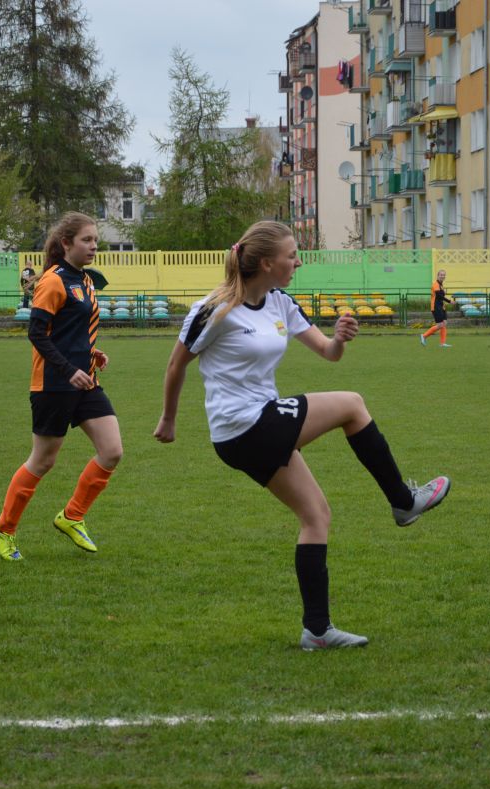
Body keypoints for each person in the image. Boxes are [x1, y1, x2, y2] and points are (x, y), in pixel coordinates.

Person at [153, 220, 450, 651]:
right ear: (266, 262)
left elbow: (328, 353)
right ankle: (404, 502)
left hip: (261, 424)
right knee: (352, 404)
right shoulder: (214, 309)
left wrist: (340, 339)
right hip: (242, 426)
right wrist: (168, 419)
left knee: (316, 516)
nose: (298, 262)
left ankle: (317, 631)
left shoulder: (280, 302)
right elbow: (176, 364)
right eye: (292, 255)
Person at [0, 212, 122, 562]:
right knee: (43, 460)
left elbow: (70, 331)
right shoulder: (53, 281)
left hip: (85, 381)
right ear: (66, 243)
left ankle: (72, 516)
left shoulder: (86, 280)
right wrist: (67, 369)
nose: (94, 246)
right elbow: (37, 333)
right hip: (52, 384)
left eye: (96, 240)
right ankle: (4, 527)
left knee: (112, 451)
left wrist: (91, 353)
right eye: (86, 240)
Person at [420, 268, 453, 347]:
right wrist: (449, 301)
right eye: (441, 275)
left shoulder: (441, 285)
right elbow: (439, 296)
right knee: (440, 325)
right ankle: (424, 336)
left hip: (441, 306)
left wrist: (445, 304)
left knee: (444, 323)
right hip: (436, 306)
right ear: (438, 276)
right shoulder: (435, 284)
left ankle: (442, 343)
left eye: (444, 275)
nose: (442, 276)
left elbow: (441, 296)